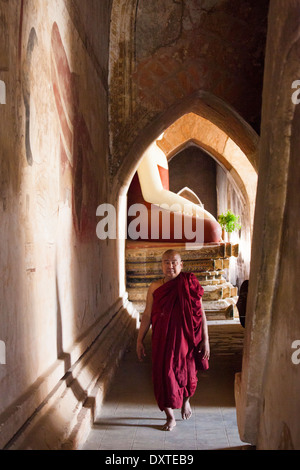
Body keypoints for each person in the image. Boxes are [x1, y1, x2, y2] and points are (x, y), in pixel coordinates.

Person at [136, 249, 210, 431]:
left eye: (174, 262)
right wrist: (139, 340)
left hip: (186, 339)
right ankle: (170, 417)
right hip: (162, 340)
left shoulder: (189, 284)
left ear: (181, 264)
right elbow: (146, 314)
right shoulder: (154, 287)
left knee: (187, 372)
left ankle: (186, 401)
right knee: (164, 375)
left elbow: (201, 314)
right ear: (161, 265)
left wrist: (206, 340)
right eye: (166, 262)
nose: (170, 266)